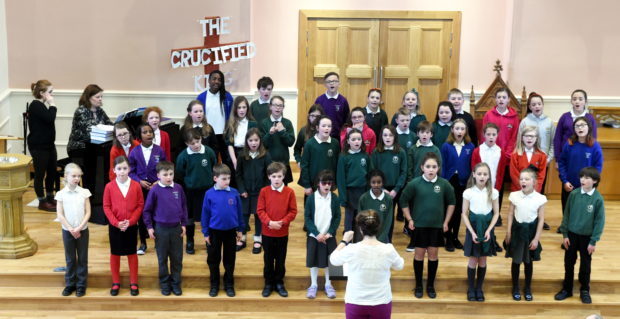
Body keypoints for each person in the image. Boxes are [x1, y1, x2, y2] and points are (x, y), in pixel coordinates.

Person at [400, 152, 455, 298]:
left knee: (433, 255)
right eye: (428, 166)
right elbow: (403, 201)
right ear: (422, 167)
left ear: (438, 168)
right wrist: (410, 219)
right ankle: (418, 285)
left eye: (434, 167)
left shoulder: (444, 184)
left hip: (436, 227)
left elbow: (452, 203)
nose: (431, 169)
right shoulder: (414, 184)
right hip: (419, 227)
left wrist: (446, 221)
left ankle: (430, 285)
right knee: (418, 255)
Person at [330, 211, 404, 319]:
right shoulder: (388, 249)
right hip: (381, 302)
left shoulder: (351, 249)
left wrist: (344, 241)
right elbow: (400, 265)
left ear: (360, 229)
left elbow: (333, 259)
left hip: (355, 302)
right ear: (378, 228)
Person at [555, 167, 605, 304]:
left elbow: (599, 222)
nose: (583, 180)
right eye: (581, 177)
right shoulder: (574, 194)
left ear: (595, 181)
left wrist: (593, 241)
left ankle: (584, 290)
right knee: (569, 263)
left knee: (585, 265)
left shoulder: (598, 199)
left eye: (587, 178)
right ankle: (567, 289)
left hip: (586, 238)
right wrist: (565, 234)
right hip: (571, 235)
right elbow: (566, 215)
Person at [143, 161, 188, 296]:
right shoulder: (155, 190)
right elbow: (147, 211)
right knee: (162, 258)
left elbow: (184, 207)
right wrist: (150, 227)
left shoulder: (178, 188)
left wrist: (184, 224)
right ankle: (164, 284)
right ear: (158, 175)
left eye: (171, 174)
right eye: (165, 174)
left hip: (176, 228)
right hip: (160, 229)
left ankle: (176, 283)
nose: (168, 177)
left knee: (177, 258)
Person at [103, 156, 144, 296]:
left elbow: (140, 205)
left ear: (129, 169)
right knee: (115, 254)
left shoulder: (136, 186)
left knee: (132, 253)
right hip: (115, 227)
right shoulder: (109, 187)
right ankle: (115, 282)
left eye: (125, 168)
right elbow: (106, 207)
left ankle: (134, 281)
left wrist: (131, 221)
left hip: (131, 226)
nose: (122, 171)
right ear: (114, 170)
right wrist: (116, 223)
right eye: (119, 169)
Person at [202, 164, 244, 297]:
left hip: (231, 231)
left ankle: (229, 284)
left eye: (228, 178)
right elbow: (205, 214)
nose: (227, 181)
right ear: (215, 178)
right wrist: (206, 232)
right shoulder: (209, 194)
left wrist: (240, 229)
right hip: (214, 232)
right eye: (224, 179)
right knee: (213, 259)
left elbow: (239, 212)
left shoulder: (234, 193)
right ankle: (214, 285)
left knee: (229, 259)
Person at [505, 168, 547, 302]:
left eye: (527, 179)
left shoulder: (540, 198)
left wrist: (536, 239)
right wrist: (508, 231)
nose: (523, 181)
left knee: (528, 262)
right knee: (516, 261)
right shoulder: (514, 196)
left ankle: (527, 287)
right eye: (521, 178)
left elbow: (541, 220)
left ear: (534, 182)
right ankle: (515, 287)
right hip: (517, 232)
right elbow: (510, 214)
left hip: (530, 233)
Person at [257, 162, 298, 298]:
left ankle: (279, 283)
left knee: (280, 259)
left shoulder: (289, 192)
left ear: (284, 177)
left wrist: (282, 222)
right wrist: (269, 222)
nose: (276, 179)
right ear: (269, 177)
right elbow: (260, 210)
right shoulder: (264, 191)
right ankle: (268, 283)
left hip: (282, 232)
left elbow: (293, 211)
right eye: (274, 176)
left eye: (279, 176)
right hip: (267, 232)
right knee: (268, 259)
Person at [462, 163, 500, 302]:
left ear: (489, 176)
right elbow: (464, 214)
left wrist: (489, 230)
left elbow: (496, 213)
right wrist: (471, 232)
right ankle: (471, 288)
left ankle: (479, 288)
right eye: (479, 174)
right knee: (473, 259)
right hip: (473, 228)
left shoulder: (493, 192)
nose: (482, 176)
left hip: (486, 229)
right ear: (474, 174)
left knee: (483, 259)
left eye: (485, 174)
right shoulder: (468, 192)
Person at [175, 129, 216, 254]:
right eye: (192, 143)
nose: (196, 145)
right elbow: (180, 173)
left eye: (198, 141)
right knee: (189, 217)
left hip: (207, 191)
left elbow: (214, 166)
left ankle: (208, 239)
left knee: (207, 216)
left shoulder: (208, 152)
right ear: (187, 143)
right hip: (190, 192)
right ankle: (190, 240)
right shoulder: (183, 156)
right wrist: (189, 183)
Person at [128, 123, 167, 255]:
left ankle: (158, 242)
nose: (149, 134)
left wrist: (158, 181)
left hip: (156, 188)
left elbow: (164, 169)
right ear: (139, 136)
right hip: (141, 189)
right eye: (145, 132)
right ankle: (143, 243)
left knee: (157, 213)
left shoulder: (159, 150)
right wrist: (139, 181)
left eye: (150, 132)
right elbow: (130, 172)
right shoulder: (134, 152)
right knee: (142, 214)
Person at [519, 92, 554, 230]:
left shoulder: (549, 122)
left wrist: (548, 158)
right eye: (533, 104)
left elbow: (553, 143)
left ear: (543, 105)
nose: (537, 106)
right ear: (529, 106)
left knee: (539, 192)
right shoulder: (525, 122)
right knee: (524, 191)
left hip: (542, 163)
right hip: (526, 162)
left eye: (539, 103)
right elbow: (519, 142)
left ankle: (539, 218)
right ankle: (523, 216)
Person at [55, 163, 91, 297]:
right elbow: (59, 214)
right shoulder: (60, 194)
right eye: (73, 176)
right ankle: (70, 284)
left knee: (82, 258)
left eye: (78, 176)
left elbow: (88, 212)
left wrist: (79, 227)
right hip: (67, 231)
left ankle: (81, 285)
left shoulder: (84, 192)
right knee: (70, 259)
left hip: (82, 230)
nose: (76, 178)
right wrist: (71, 229)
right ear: (66, 176)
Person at [304, 170, 341, 299]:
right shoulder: (311, 198)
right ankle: (313, 284)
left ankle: (328, 284)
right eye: (324, 183)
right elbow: (307, 218)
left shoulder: (335, 198)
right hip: (314, 237)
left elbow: (337, 217)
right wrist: (316, 233)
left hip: (328, 237)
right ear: (318, 184)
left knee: (329, 262)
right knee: (313, 261)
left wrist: (329, 233)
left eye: (329, 183)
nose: (327, 186)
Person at [66, 84, 113, 185]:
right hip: (78, 148)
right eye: (97, 97)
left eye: (101, 97)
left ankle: (97, 194)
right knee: (91, 166)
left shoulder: (100, 111)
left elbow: (109, 124)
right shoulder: (81, 111)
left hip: (92, 147)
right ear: (88, 98)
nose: (100, 99)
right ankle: (89, 193)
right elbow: (89, 131)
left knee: (104, 154)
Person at [235, 128, 272, 253]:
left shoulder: (265, 156)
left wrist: (264, 191)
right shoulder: (242, 155)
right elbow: (238, 175)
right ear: (246, 141)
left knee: (258, 216)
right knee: (244, 215)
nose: (253, 143)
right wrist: (241, 189)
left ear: (260, 141)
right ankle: (242, 238)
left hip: (260, 192)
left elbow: (269, 175)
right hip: (245, 192)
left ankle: (257, 240)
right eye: (250, 140)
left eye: (256, 140)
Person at [441, 118, 475, 251]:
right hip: (449, 181)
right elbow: (443, 165)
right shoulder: (446, 146)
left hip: (463, 182)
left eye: (462, 129)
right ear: (452, 130)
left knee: (460, 210)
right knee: (450, 209)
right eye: (457, 128)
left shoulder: (470, 146)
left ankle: (455, 237)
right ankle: (447, 236)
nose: (459, 131)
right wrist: (443, 181)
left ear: (465, 131)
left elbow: (471, 166)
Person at [557, 117, 603, 216]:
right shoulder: (569, 144)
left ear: (589, 128)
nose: (580, 128)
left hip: (587, 185)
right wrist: (565, 181)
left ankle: (582, 228)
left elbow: (598, 167)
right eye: (577, 126)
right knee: (568, 207)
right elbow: (562, 163)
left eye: (582, 125)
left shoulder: (595, 146)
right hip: (569, 184)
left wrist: (590, 182)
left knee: (584, 210)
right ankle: (565, 226)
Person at [370, 125, 406, 240]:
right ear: (381, 137)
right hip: (379, 189)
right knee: (379, 215)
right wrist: (381, 189)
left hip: (395, 190)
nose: (388, 137)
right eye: (385, 135)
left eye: (390, 135)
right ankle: (376, 241)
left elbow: (403, 172)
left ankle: (388, 242)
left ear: (395, 137)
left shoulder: (400, 152)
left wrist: (396, 189)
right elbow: (373, 172)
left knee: (390, 217)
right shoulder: (376, 152)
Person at [28, 80, 58, 212]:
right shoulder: (35, 105)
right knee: (40, 174)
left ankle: (50, 197)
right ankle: (41, 201)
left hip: (49, 145)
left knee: (52, 171)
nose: (52, 95)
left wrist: (50, 105)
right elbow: (50, 118)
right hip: (38, 146)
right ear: (41, 93)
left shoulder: (41, 106)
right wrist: (52, 105)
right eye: (50, 92)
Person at [338, 128, 373, 241]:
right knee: (349, 219)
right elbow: (341, 178)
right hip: (349, 192)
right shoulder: (344, 156)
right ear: (348, 141)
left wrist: (369, 192)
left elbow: (370, 175)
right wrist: (343, 197)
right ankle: (347, 243)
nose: (356, 141)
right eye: (353, 139)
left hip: (362, 191)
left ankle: (359, 242)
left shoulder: (365, 156)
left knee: (361, 218)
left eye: (359, 139)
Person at [471, 123, 507, 232]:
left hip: (495, 186)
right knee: (480, 212)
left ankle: (491, 237)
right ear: (483, 135)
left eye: (494, 134)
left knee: (493, 215)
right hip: (480, 187)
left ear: (497, 135)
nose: (491, 137)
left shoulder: (501, 152)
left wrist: (498, 187)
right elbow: (474, 169)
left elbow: (501, 172)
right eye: (488, 134)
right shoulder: (478, 151)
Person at [196, 70, 234, 162]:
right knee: (210, 160)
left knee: (227, 160)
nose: (216, 81)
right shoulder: (201, 97)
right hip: (208, 134)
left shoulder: (227, 96)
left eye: (219, 80)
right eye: (214, 79)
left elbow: (231, 116)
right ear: (209, 81)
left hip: (224, 134)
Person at [298, 115, 340, 199]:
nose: (327, 128)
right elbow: (304, 165)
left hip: (328, 184)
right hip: (312, 185)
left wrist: (335, 183)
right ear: (317, 128)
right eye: (323, 126)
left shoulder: (335, 143)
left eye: (329, 126)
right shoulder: (309, 144)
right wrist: (307, 185)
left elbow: (337, 164)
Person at [259, 96, 295, 185]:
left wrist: (282, 131)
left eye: (280, 105)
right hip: (269, 162)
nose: (277, 108)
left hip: (283, 162)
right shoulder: (264, 123)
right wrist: (269, 134)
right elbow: (262, 144)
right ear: (270, 106)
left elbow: (290, 142)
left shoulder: (287, 123)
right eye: (275, 105)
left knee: (283, 189)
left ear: (283, 108)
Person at [553, 89, 597, 162]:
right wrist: (557, 159)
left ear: (585, 101)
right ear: (571, 101)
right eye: (574, 99)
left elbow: (593, 138)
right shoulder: (564, 117)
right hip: (566, 156)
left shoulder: (590, 118)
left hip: (583, 156)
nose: (577, 101)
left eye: (580, 99)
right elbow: (557, 138)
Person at [482, 88, 519, 163]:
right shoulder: (488, 115)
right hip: (490, 155)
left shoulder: (514, 117)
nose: (501, 99)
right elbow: (484, 135)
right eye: (499, 97)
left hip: (507, 156)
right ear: (495, 99)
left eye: (504, 97)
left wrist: (507, 154)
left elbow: (514, 137)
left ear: (508, 99)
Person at [358, 170, 393, 243]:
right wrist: (366, 237)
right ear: (369, 183)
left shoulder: (388, 199)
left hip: (383, 238)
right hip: (366, 238)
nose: (376, 185)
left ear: (382, 183)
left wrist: (381, 238)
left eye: (379, 182)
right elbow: (360, 220)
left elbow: (388, 221)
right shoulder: (363, 198)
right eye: (373, 182)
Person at [509, 126, 547, 193]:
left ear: (536, 139)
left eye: (532, 136)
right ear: (522, 138)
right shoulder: (515, 155)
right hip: (518, 190)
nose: (529, 138)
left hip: (534, 191)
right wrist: (523, 188)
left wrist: (534, 189)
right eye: (526, 136)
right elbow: (514, 174)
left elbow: (541, 176)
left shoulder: (542, 156)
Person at [224, 96, 257, 173]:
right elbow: (229, 144)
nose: (242, 110)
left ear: (247, 109)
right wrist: (234, 161)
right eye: (239, 108)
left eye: (244, 107)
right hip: (233, 154)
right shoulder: (230, 123)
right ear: (235, 109)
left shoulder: (253, 124)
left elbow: (255, 143)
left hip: (248, 153)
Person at [314, 72, 350, 139]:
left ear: (339, 83)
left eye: (334, 81)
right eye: (329, 81)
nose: (332, 83)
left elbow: (347, 120)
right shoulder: (319, 100)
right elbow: (315, 119)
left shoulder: (343, 101)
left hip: (338, 137)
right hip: (322, 136)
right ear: (325, 84)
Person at [294, 104, 326, 170]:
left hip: (321, 166)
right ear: (309, 116)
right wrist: (299, 161)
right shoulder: (303, 131)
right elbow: (297, 149)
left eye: (317, 116)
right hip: (306, 166)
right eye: (312, 116)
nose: (314, 118)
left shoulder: (325, 131)